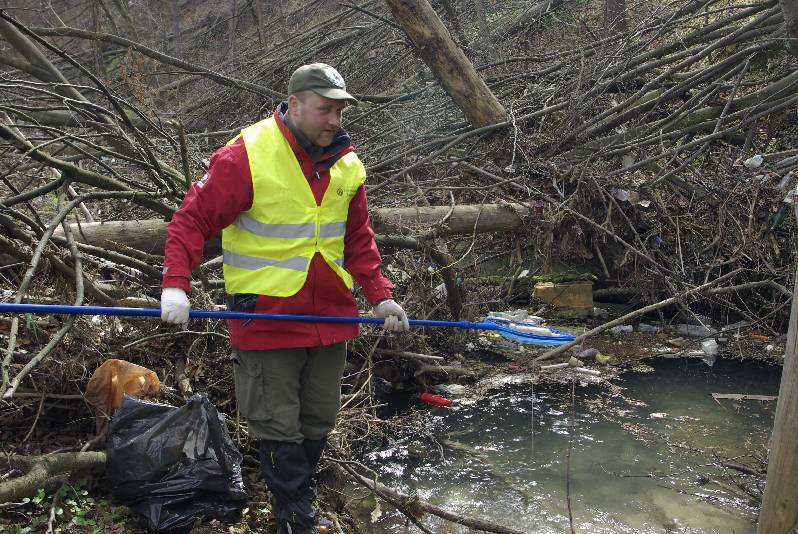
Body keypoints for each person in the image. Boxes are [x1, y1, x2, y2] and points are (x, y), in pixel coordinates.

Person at [160, 63, 409, 533]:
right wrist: (176, 283)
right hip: (266, 315)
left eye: (339, 110)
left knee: (318, 419)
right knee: (276, 423)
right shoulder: (246, 155)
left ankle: (299, 496)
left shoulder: (348, 165)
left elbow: (358, 237)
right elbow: (191, 221)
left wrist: (380, 295)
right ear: (294, 104)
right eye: (324, 109)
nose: (334, 119)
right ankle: (295, 515)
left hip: (332, 315)